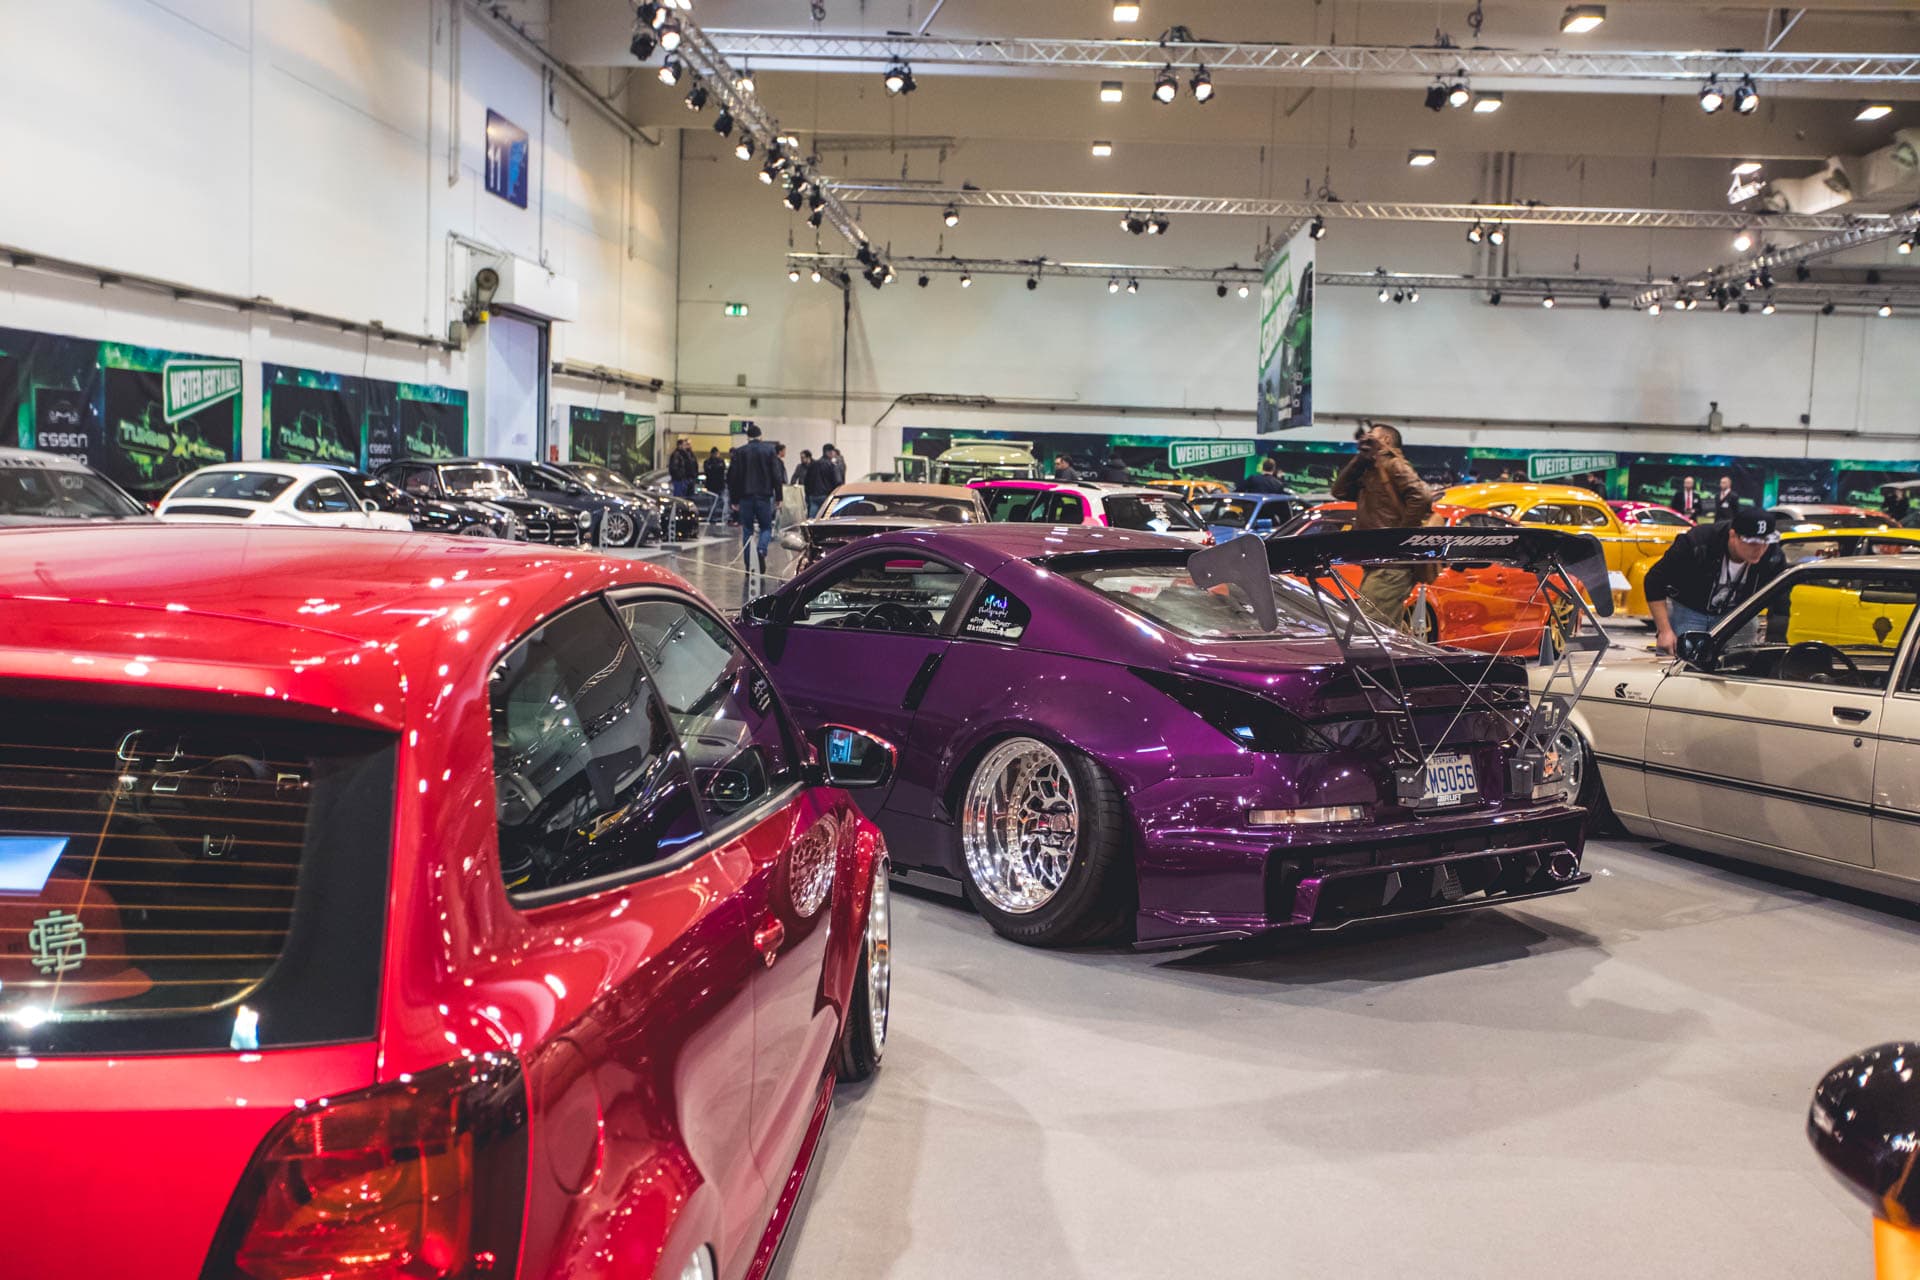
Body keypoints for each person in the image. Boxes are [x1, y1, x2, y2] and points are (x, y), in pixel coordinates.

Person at [1331, 422, 1434, 626]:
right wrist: (1360, 459)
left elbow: (1422, 497)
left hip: (1390, 564)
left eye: (1372, 435)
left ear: (1386, 440)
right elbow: (1339, 491)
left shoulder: (1394, 464)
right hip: (1379, 561)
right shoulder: (1370, 470)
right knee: (1383, 626)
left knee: (1370, 625)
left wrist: (1399, 537)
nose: (1366, 438)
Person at [1644, 509, 1787, 654]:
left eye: (1765, 541)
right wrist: (1664, 630)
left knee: (1741, 659)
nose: (1759, 549)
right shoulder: (1697, 542)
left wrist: (1775, 644)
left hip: (1738, 612)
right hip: (1691, 608)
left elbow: (1781, 600)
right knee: (1683, 657)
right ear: (1733, 535)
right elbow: (1654, 580)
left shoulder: (1773, 556)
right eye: (1751, 542)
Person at [727, 423, 783, 573]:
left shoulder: (739, 452)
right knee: (766, 527)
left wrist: (734, 500)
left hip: (745, 497)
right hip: (764, 496)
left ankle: (749, 566)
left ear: (748, 437)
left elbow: (733, 478)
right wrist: (779, 496)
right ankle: (761, 550)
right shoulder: (769, 450)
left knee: (747, 530)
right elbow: (776, 475)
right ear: (760, 436)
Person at [806, 445, 841, 516]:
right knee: (826, 517)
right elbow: (837, 481)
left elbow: (806, 480)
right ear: (828, 452)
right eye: (833, 452)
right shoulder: (831, 465)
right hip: (826, 496)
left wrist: (808, 494)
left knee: (812, 518)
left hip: (814, 496)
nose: (834, 454)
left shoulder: (813, 464)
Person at [703, 447, 728, 525]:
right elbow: (711, 471)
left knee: (715, 502)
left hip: (715, 485)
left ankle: (715, 516)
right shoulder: (714, 462)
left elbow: (719, 470)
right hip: (715, 485)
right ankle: (713, 517)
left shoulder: (711, 462)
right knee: (713, 502)